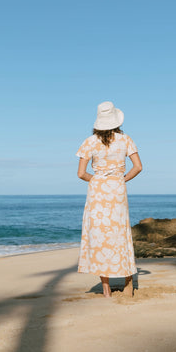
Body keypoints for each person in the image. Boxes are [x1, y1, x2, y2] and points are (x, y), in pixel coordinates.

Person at [76, 101, 142, 298]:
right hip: (117, 190)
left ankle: (106, 289)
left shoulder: (89, 142)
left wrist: (97, 181)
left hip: (97, 191)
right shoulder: (125, 139)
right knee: (120, 234)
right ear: (116, 121)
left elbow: (81, 173)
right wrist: (120, 180)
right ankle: (127, 284)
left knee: (99, 236)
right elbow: (138, 167)